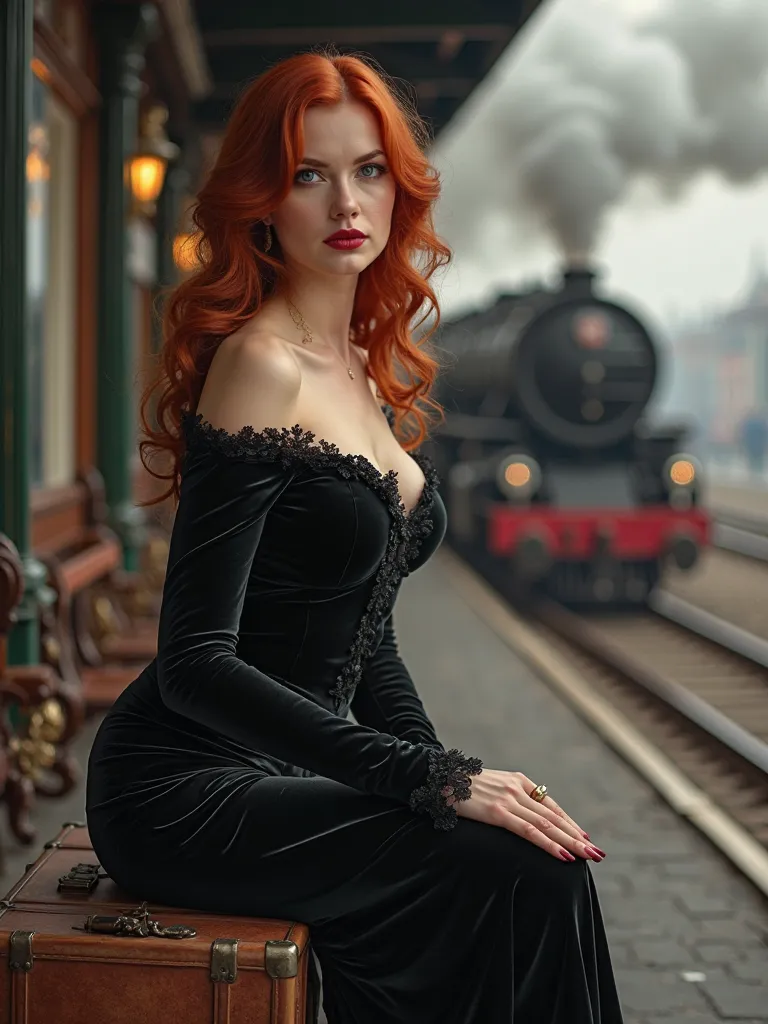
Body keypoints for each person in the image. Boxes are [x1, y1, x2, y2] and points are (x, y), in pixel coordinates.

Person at [86, 51, 624, 1024]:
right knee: (522, 874)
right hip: (183, 786)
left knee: (531, 848)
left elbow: (363, 638)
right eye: (309, 173)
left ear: (398, 187)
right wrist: (428, 779)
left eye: (369, 168)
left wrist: (448, 775)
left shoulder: (366, 378)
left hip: (300, 769)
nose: (347, 199)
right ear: (262, 198)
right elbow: (192, 662)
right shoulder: (261, 365)